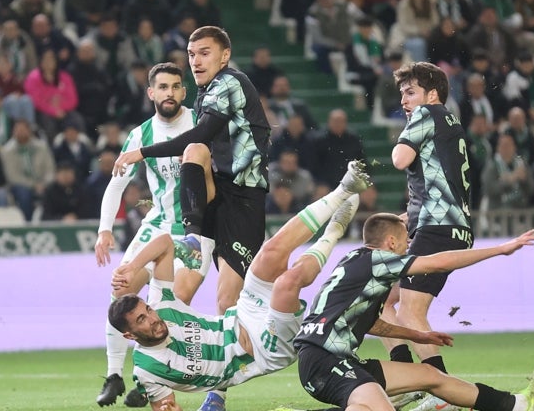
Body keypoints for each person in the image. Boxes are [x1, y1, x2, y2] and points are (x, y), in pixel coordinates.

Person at [108, 162, 387, 411]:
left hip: (244, 313)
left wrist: (133, 266)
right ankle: (335, 231)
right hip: (263, 350)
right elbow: (165, 406)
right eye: (142, 319)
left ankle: (342, 190)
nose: (153, 318)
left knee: (269, 255)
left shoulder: (163, 306)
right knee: (291, 279)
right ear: (131, 336)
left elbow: (165, 244)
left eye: (148, 310)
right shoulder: (147, 371)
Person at [112, 26, 272, 410]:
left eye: (204, 53)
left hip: (244, 201)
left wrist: (142, 152)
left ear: (224, 56)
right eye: (191, 53)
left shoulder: (230, 83)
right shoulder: (205, 92)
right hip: (218, 191)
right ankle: (193, 236)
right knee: (174, 299)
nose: (196, 60)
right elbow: (199, 142)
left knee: (225, 298)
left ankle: (218, 391)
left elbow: (199, 132)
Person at [294, 213, 534, 411]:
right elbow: (438, 263)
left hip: (332, 359)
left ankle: (516, 404)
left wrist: (419, 336)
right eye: (406, 239)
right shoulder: (378, 261)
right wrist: (501, 249)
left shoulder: (357, 261)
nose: (409, 246)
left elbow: (372, 325)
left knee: (430, 375)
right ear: (391, 242)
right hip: (324, 362)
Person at [93, 62, 210, 408]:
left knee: (172, 306)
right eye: (162, 87)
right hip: (157, 225)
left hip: (196, 231)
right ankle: (114, 375)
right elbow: (116, 185)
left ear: (183, 92)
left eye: (175, 86)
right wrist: (104, 231)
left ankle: (150, 381)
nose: (169, 93)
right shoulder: (141, 134)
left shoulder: (201, 124)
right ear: (151, 93)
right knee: (121, 290)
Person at [385, 61, 476, 411]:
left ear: (432, 94)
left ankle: (441, 393)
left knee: (410, 310)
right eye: (402, 94)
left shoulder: (427, 115)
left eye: (411, 93)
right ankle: (408, 378)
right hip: (445, 225)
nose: (405, 101)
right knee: (380, 296)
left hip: (438, 229)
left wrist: (404, 135)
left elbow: (398, 158)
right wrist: (412, 215)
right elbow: (441, 180)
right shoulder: (450, 122)